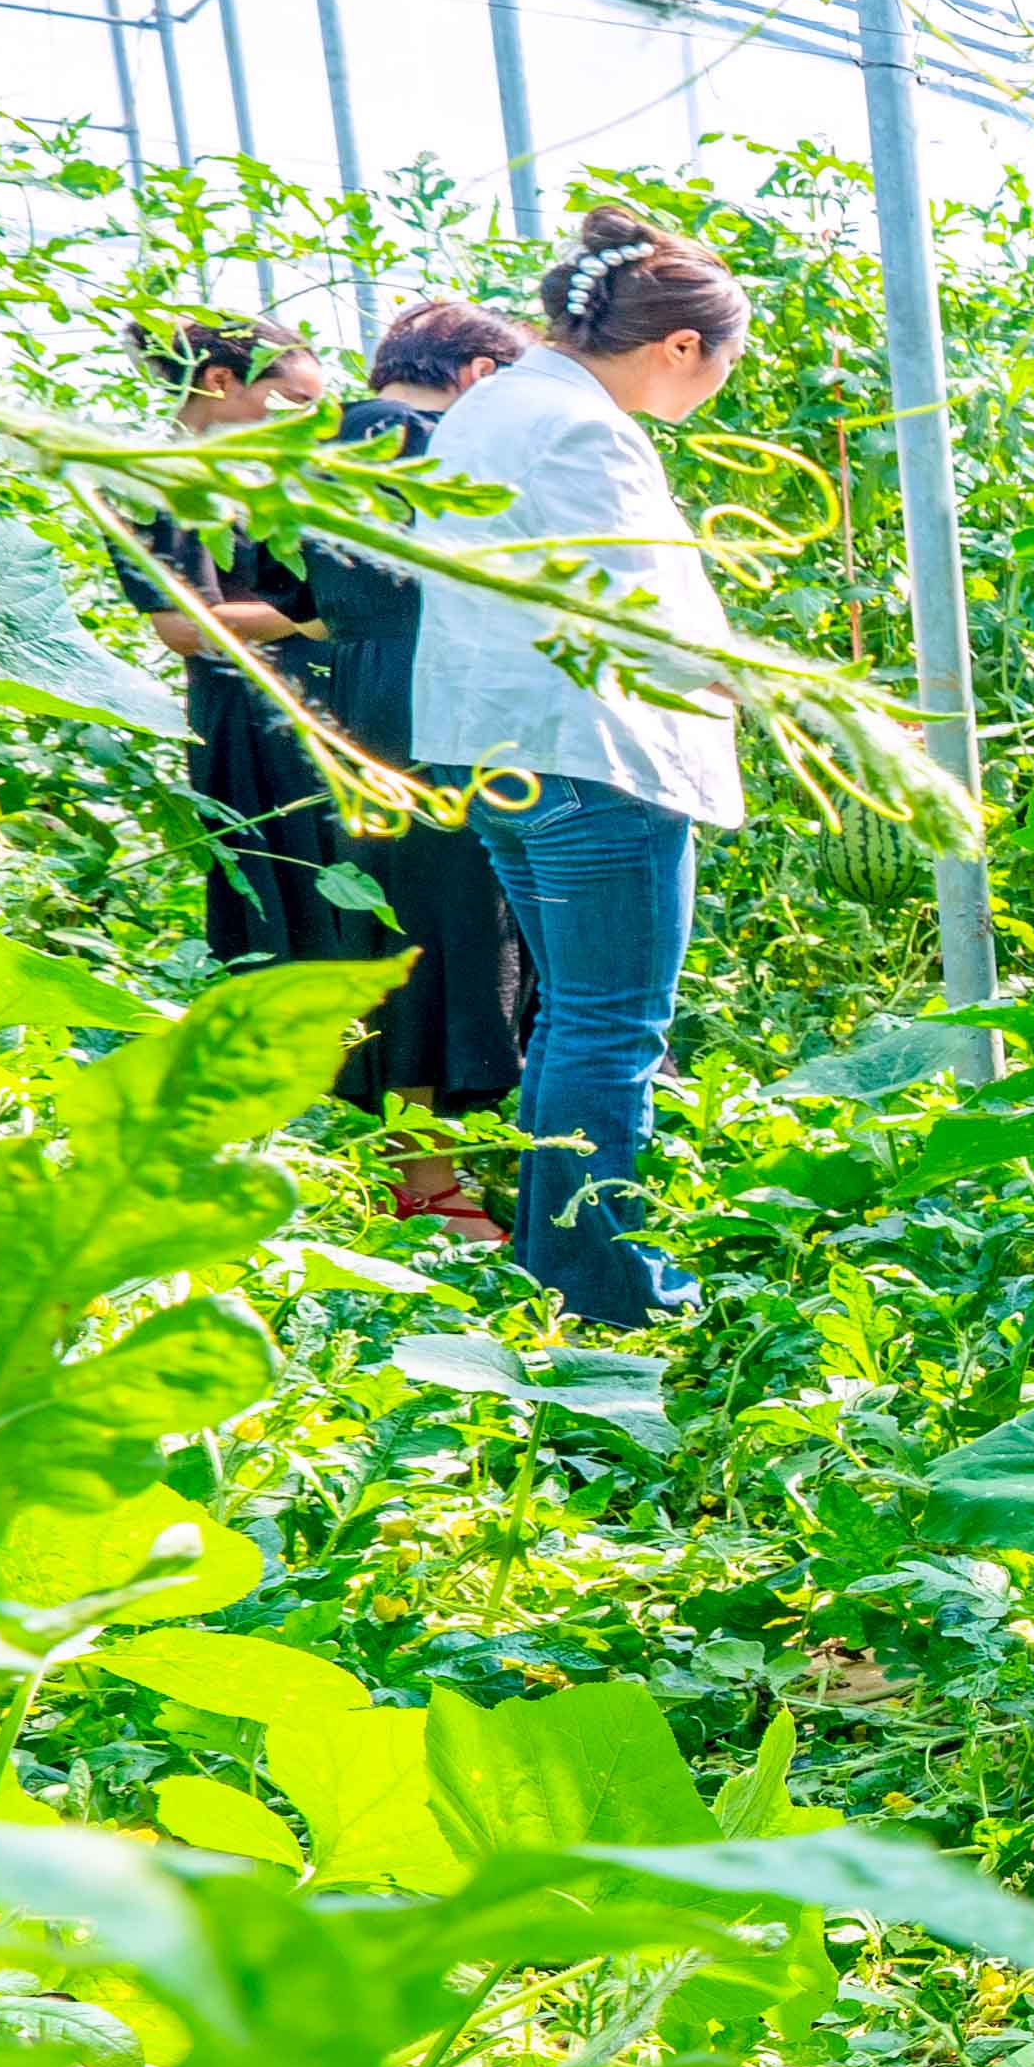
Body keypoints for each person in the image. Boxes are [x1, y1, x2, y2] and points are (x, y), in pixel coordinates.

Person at [411, 206, 753, 1327]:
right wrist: (808, 705)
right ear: (679, 347)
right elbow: (652, 611)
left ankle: (560, 1269)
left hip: (497, 749)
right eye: (717, 373)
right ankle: (606, 1292)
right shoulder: (588, 429)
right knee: (610, 1030)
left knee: (571, 1018)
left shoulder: (495, 404)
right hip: (593, 756)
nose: (708, 396)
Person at [308, 300, 539, 1224]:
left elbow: (305, 601)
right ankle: (433, 1187)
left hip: (364, 692)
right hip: (445, 690)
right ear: (479, 375)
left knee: (405, 924)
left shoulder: (324, 445)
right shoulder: (433, 443)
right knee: (464, 926)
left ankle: (427, 1173)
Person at [104, 316, 350, 970]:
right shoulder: (150, 482)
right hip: (251, 720)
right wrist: (312, 616)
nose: (309, 420)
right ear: (219, 381)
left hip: (323, 704)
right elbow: (182, 628)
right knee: (287, 917)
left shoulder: (273, 480)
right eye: (296, 401)